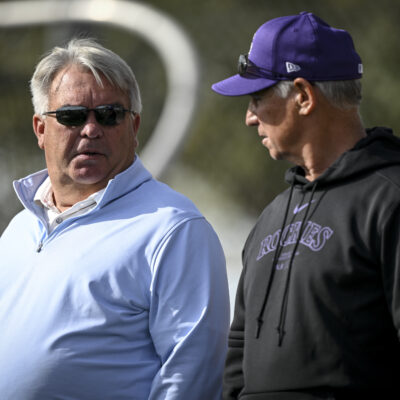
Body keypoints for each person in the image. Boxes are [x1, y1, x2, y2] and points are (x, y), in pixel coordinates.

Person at [0, 38, 230, 400]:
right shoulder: (18, 229)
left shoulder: (173, 227)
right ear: (41, 129)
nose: (91, 129)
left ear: (134, 126)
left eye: (109, 115)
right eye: (72, 116)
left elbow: (192, 374)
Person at [212, 11, 400, 400]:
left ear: (303, 96)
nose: (250, 118)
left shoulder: (389, 197)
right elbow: (238, 350)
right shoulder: (271, 216)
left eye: (257, 97)